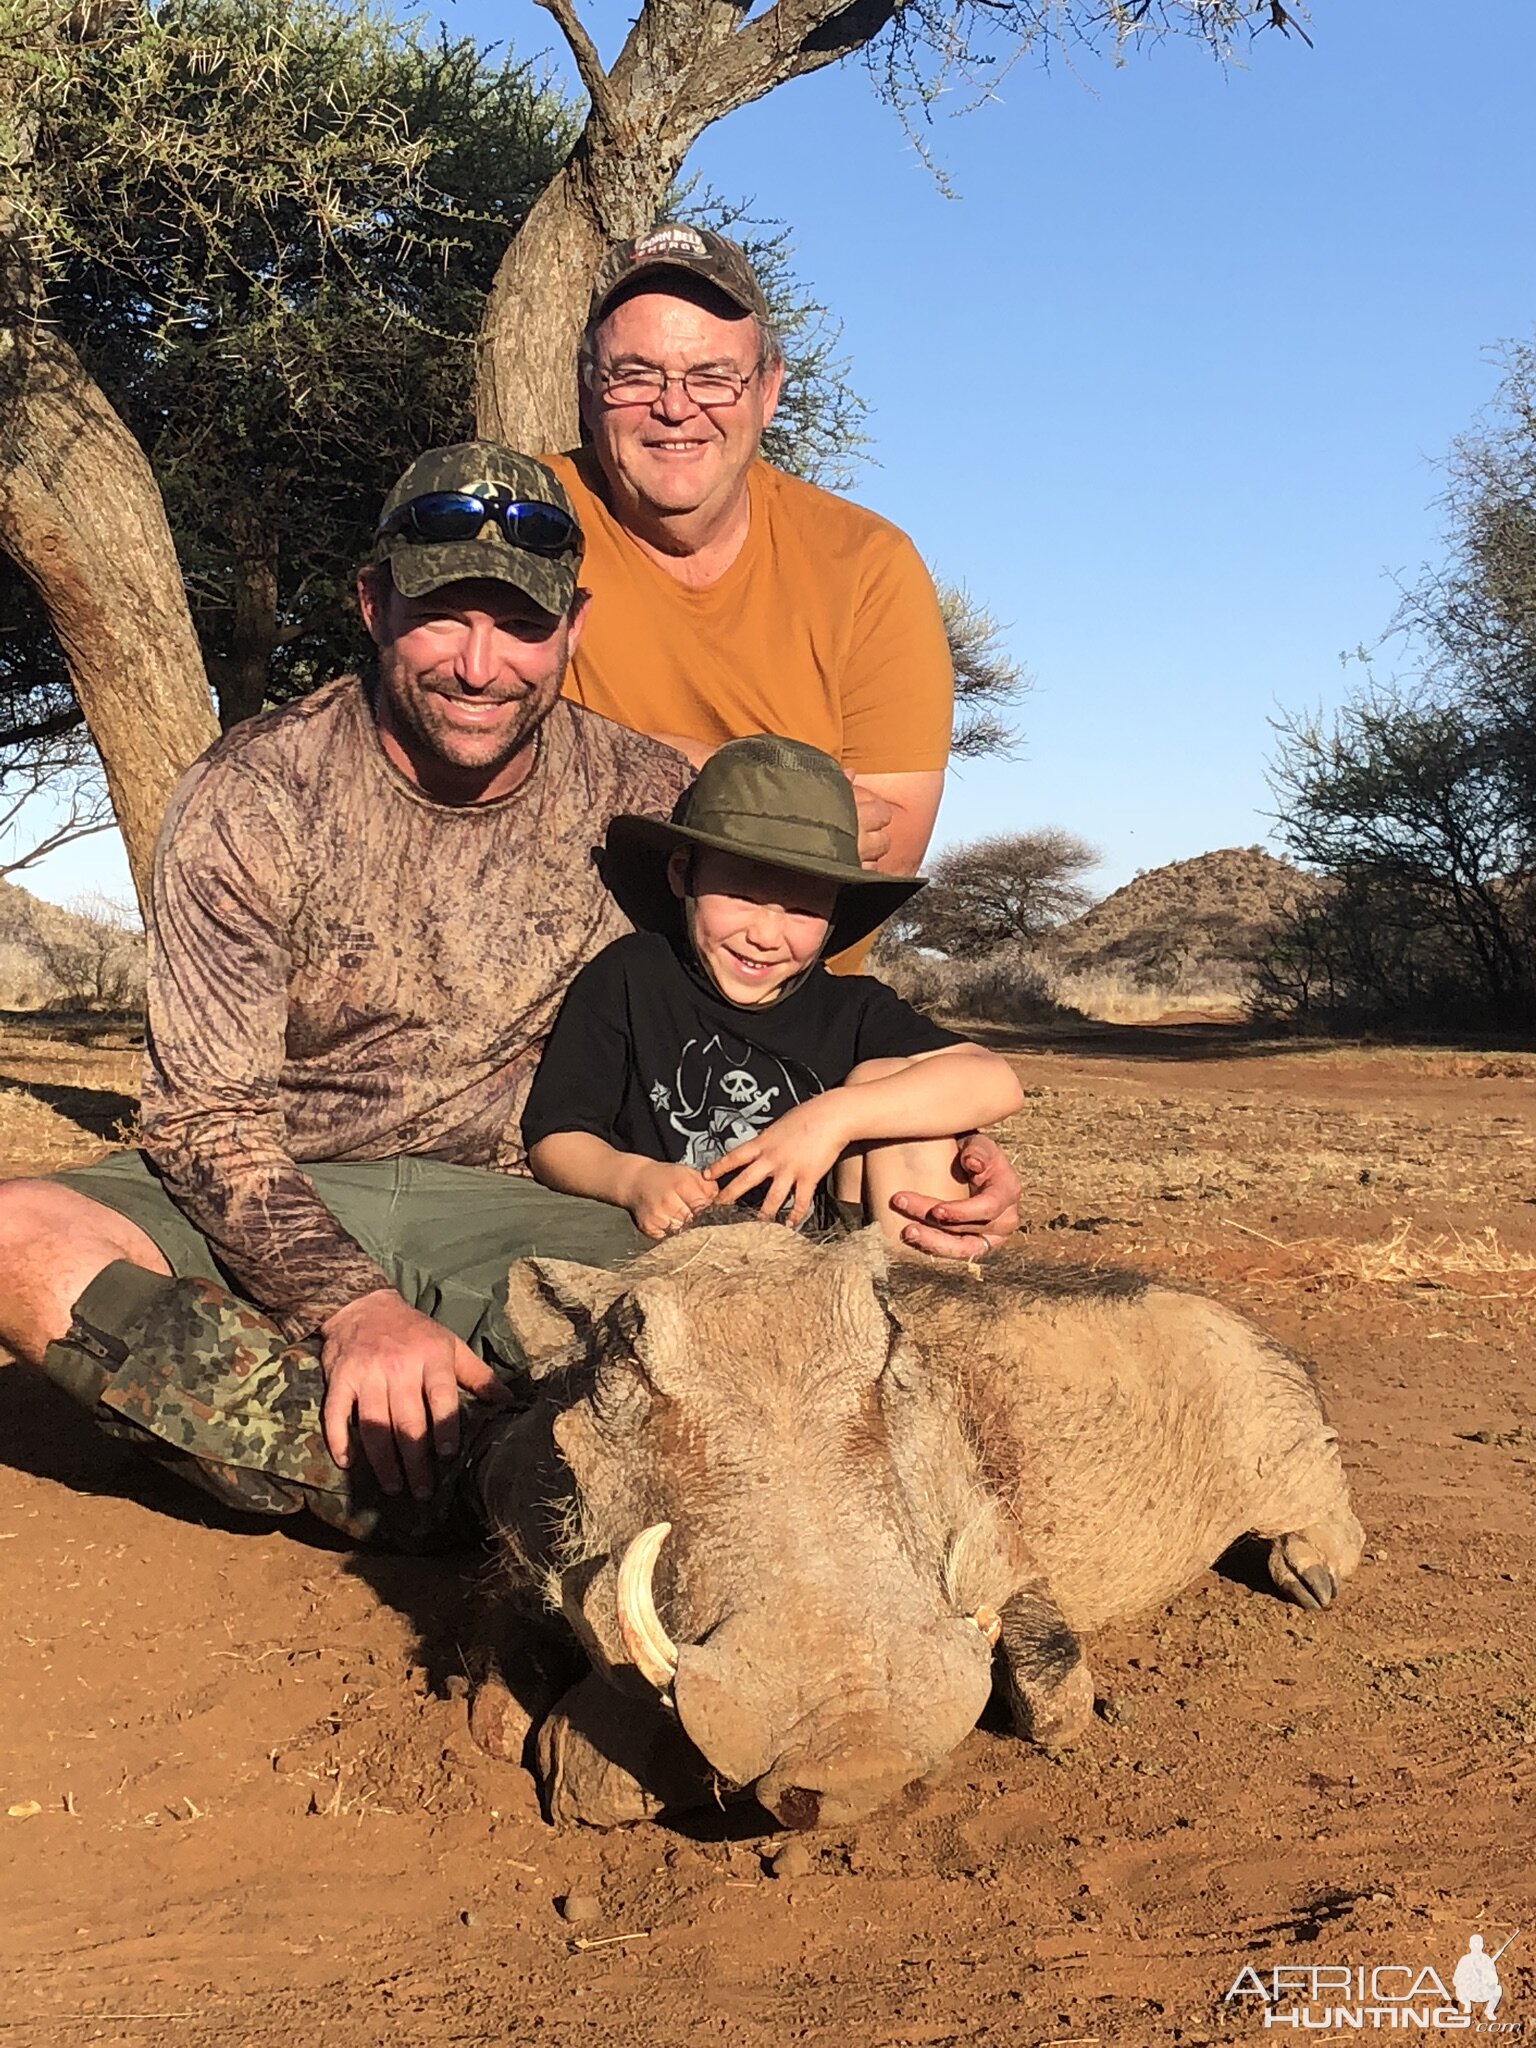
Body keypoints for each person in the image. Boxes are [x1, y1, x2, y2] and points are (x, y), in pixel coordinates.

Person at [0, 442, 1019, 1546]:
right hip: (283, 1181)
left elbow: (776, 990)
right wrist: (356, 1305)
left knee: (805, 1262)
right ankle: (492, 1470)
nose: (481, 665)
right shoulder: (250, 792)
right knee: (19, 1236)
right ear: (374, 603)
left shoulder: (646, 803)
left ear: (572, 629)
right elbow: (207, 1122)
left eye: (523, 625)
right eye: (444, 613)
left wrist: (950, 1141)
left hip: (537, 1200)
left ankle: (391, 1446)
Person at [544, 223, 954, 926]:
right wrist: (733, 779)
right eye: (635, 375)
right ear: (587, 392)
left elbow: (879, 856)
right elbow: (458, 753)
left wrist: (588, 760)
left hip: (782, 1008)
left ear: (768, 390)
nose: (675, 406)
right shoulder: (526, 516)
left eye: (712, 377)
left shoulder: (869, 567)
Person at [523, 737, 1024, 1244]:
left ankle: (911, 1301)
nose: (764, 936)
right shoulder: (632, 976)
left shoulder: (851, 1009)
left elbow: (996, 1080)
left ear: (836, 910)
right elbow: (557, 1139)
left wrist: (828, 1119)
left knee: (897, 1087)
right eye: (741, 894)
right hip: (668, 1262)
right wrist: (632, 1181)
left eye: (804, 908)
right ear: (682, 873)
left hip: (827, 1271)